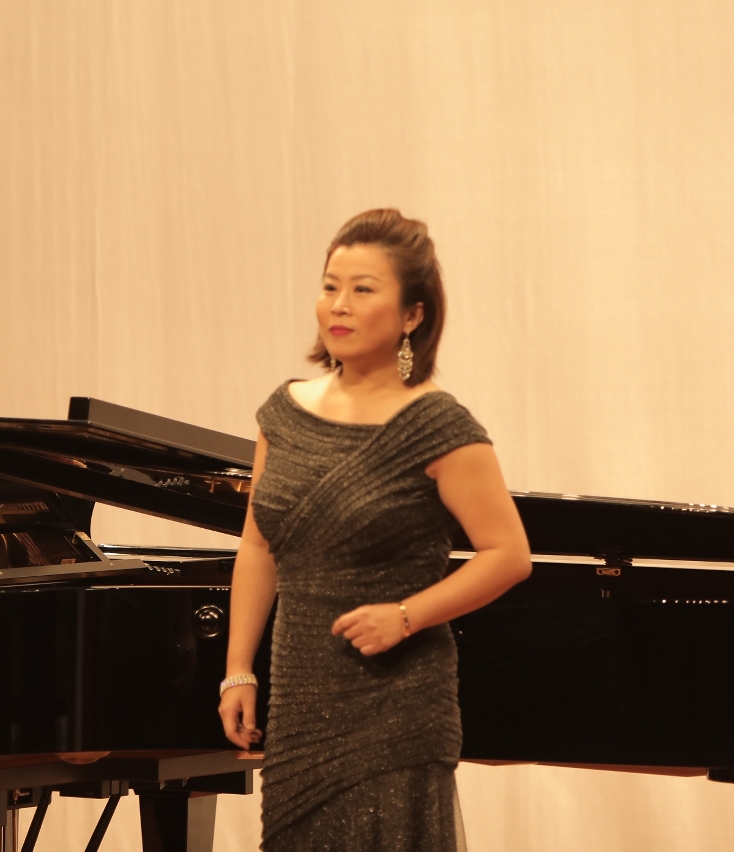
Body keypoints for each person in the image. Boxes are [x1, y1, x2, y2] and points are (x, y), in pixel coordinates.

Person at [218, 210, 532, 850]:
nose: (339, 304)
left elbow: (508, 554)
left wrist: (406, 616)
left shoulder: (438, 425)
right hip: (300, 693)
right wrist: (238, 670)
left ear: (412, 314)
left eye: (363, 289)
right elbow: (258, 544)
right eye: (330, 286)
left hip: (397, 700)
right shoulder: (284, 411)